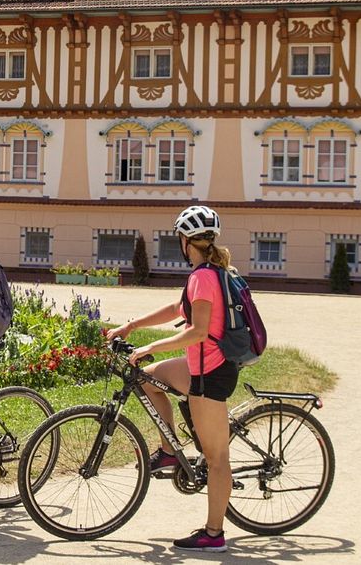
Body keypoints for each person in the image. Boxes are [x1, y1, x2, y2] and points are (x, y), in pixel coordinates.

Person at [104, 205, 236, 553]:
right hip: (198, 365)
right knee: (146, 379)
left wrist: (153, 346)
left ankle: (213, 534)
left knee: (216, 456)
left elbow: (198, 331)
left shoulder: (205, 277)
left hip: (211, 373)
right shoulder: (204, 274)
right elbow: (178, 310)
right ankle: (168, 449)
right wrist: (131, 325)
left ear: (184, 241)